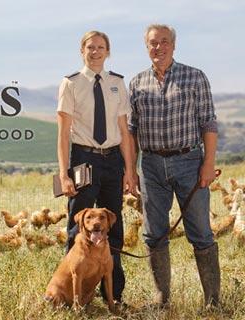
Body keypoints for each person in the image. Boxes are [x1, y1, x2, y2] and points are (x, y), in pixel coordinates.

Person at [129, 24, 220, 308]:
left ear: (174, 45)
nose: (159, 47)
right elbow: (131, 131)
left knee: (201, 233)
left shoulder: (195, 77)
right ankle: (162, 298)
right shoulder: (137, 83)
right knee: (153, 233)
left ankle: (213, 302)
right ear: (147, 47)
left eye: (164, 42)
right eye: (153, 43)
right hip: (152, 165)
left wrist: (208, 163)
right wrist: (130, 170)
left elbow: (208, 123)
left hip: (189, 163)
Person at [57, 30, 137, 306]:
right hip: (83, 159)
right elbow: (63, 134)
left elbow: (124, 132)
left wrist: (129, 170)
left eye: (101, 47)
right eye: (90, 47)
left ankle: (113, 296)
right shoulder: (71, 83)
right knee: (76, 227)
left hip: (113, 160)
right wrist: (63, 174)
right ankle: (72, 295)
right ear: (82, 50)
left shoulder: (117, 83)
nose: (95, 51)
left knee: (112, 227)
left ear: (108, 51)